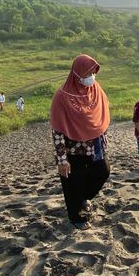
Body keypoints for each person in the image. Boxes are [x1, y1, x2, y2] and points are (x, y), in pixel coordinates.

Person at [50, 54, 111, 230]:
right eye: (87, 74)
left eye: (93, 73)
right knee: (73, 182)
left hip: (95, 147)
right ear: (77, 75)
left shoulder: (96, 90)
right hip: (73, 150)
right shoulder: (62, 97)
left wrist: (103, 141)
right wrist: (62, 160)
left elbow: (101, 117)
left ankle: (84, 198)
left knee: (103, 171)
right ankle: (75, 217)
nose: (91, 77)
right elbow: (58, 130)